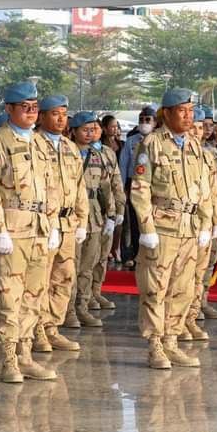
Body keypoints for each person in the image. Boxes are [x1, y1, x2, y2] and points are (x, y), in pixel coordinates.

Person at [0, 81, 65, 383]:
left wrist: (53, 224)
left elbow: (53, 187)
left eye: (34, 107)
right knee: (9, 298)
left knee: (34, 296)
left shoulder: (41, 143)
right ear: (9, 109)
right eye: (24, 107)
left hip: (39, 229)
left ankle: (26, 356)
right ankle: (9, 360)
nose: (31, 112)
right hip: (12, 230)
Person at [130, 87, 211, 370]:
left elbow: (203, 189)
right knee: (156, 289)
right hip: (162, 227)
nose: (188, 117)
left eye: (191, 111)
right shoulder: (152, 143)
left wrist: (205, 223)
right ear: (166, 113)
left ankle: (172, 341)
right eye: (182, 111)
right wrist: (147, 228)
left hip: (189, 228)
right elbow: (140, 189)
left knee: (182, 289)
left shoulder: (194, 145)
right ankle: (155, 345)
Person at [34, 95, 87, 354]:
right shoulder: (33, 143)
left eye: (64, 114)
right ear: (41, 116)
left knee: (64, 278)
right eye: (55, 114)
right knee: (40, 280)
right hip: (44, 224)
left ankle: (52, 327)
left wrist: (82, 221)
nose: (60, 119)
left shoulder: (69, 147)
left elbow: (80, 187)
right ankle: (36, 330)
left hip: (68, 222)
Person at [64, 111, 114, 329]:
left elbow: (105, 185)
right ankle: (67, 311)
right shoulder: (66, 152)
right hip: (73, 215)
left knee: (87, 265)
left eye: (92, 129)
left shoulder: (97, 155)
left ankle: (82, 307)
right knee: (70, 267)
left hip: (94, 216)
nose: (89, 133)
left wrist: (111, 213)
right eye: (84, 129)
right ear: (73, 131)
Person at [179, 107, 217, 343]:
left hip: (204, 223)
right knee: (181, 276)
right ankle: (177, 321)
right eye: (193, 127)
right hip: (182, 223)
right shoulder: (176, 153)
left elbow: (214, 191)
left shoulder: (208, 156)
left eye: (200, 127)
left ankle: (191, 317)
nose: (197, 131)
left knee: (199, 274)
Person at [89, 115, 125, 309]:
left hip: (107, 210)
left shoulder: (108, 152)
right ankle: (84, 296)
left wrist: (119, 209)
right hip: (90, 208)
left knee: (103, 254)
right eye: (89, 128)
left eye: (95, 128)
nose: (93, 132)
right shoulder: (79, 151)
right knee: (89, 256)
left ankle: (96, 291)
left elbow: (116, 182)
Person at [119, 105, 156, 265]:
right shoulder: (131, 141)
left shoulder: (158, 141)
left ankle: (152, 255)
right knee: (136, 221)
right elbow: (123, 164)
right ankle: (136, 254)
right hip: (133, 184)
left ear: (155, 122)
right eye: (141, 120)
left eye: (148, 120)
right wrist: (123, 188)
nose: (144, 123)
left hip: (154, 186)